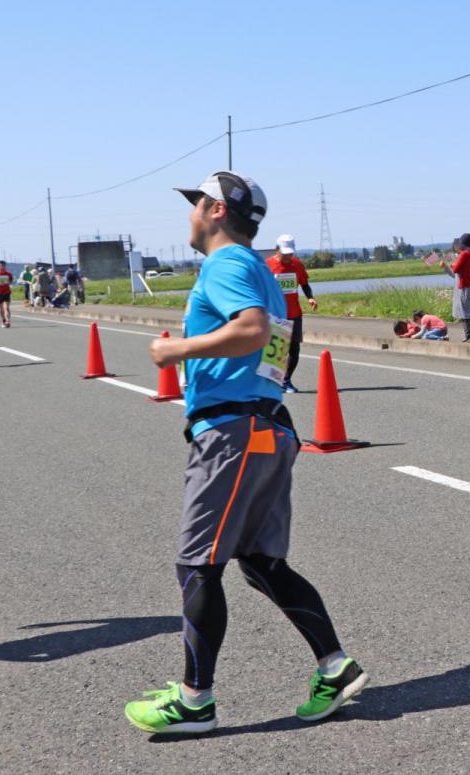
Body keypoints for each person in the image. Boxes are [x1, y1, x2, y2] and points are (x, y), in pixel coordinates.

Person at [124, 170, 366, 735]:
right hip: (266, 426)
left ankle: (194, 701)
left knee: (197, 564)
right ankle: (334, 666)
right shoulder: (260, 269)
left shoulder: (226, 264)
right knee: (260, 562)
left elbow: (254, 330)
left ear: (213, 210)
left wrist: (175, 350)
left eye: (194, 204)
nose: (188, 214)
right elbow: (278, 343)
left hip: (234, 431)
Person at [265, 234, 317, 393]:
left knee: (294, 349)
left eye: (290, 253)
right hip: (276, 314)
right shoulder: (267, 266)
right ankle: (272, 382)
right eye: (285, 252)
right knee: (277, 350)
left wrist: (310, 298)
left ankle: (286, 381)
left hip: (294, 313)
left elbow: (304, 284)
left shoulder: (297, 265)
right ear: (277, 249)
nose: (288, 256)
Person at [441, 234, 470, 342]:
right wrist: (448, 267)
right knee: (469, 312)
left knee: (467, 313)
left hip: (464, 288)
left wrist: (451, 265)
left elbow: (455, 271)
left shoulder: (465, 255)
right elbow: (456, 275)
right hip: (468, 287)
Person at [0, 260, 13, 327]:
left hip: (6, 292)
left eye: (4, 265)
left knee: (7, 308)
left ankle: (8, 321)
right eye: (1, 266)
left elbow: (11, 282)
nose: (3, 267)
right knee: (1, 309)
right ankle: (3, 320)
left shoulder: (9, 274)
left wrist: (8, 283)